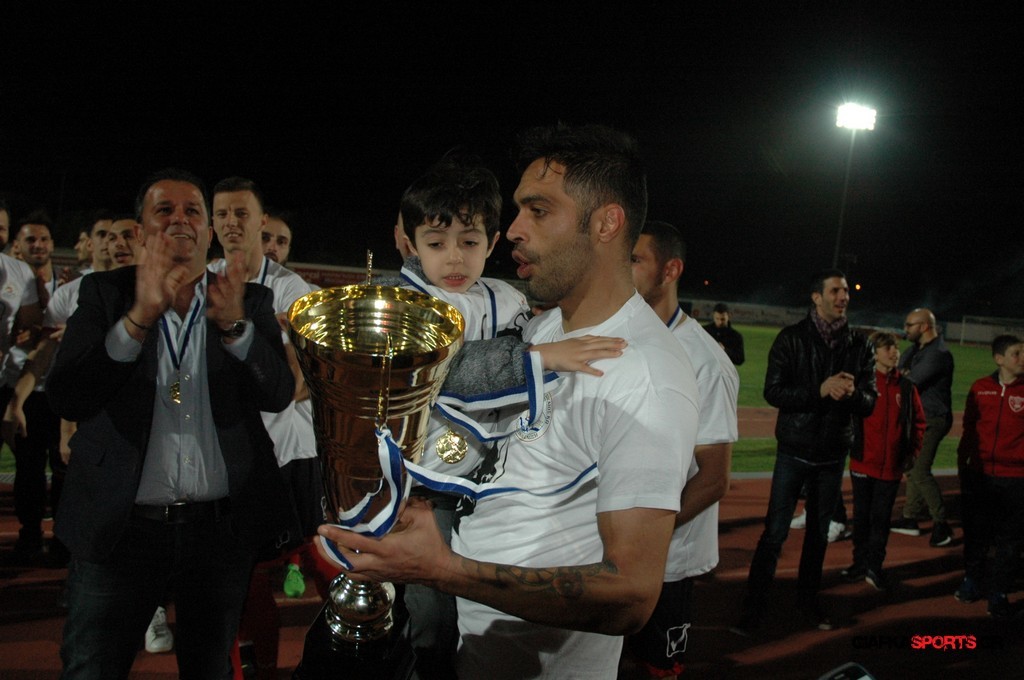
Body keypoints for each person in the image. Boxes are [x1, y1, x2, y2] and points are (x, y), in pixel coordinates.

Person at [317, 123, 700, 679]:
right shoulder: (541, 332)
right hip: (472, 652)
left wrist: (443, 569)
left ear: (606, 223)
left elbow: (631, 596)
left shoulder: (646, 374)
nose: (514, 230)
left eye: (538, 211)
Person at [47, 168, 297, 679]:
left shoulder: (248, 300)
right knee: (91, 667)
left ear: (209, 232)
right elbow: (68, 395)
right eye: (164, 210)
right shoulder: (104, 294)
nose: (180, 219)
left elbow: (277, 393)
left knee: (210, 668)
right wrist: (138, 319)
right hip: (120, 529)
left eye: (192, 211)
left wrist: (235, 328)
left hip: (217, 533)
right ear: (141, 231)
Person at [211, 176, 331, 679]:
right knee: (244, 580)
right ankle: (258, 667)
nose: (231, 223)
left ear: (261, 221)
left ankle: (349, 654)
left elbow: (300, 385)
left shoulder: (290, 289)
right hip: (232, 455)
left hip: (291, 452)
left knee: (324, 562)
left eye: (241, 213)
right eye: (222, 214)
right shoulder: (204, 281)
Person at [623, 220, 738, 679]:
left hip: (666, 559)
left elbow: (714, 479)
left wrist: (641, 534)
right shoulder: (621, 337)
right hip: (609, 547)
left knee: (657, 669)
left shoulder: (706, 361)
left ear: (670, 271)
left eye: (635, 260)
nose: (623, 268)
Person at [732, 268, 876, 635]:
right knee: (774, 534)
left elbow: (870, 402)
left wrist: (853, 394)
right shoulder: (791, 338)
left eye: (846, 291)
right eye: (836, 291)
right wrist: (820, 390)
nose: (843, 297)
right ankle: (753, 608)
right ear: (817, 297)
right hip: (793, 452)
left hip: (832, 455)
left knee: (817, 536)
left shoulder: (860, 345)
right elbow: (773, 392)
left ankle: (808, 601)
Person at [2, 213, 115, 566]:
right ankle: (34, 537)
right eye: (105, 235)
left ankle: (74, 544)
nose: (114, 243)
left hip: (103, 401)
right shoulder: (69, 292)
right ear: (90, 242)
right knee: (33, 470)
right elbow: (43, 347)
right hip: (43, 391)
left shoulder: (149, 292)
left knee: (83, 475)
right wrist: (17, 400)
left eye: (122, 236)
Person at [840, 331, 926, 591]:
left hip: (891, 467)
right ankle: (859, 563)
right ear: (874, 354)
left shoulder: (907, 387)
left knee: (881, 519)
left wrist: (912, 453)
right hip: (863, 463)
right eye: (887, 348)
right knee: (861, 518)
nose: (894, 352)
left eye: (895, 348)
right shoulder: (862, 383)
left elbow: (919, 423)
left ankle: (874, 567)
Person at [954, 334, 1024, 619]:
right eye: (1017, 353)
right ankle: (972, 580)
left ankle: (999, 592)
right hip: (981, 475)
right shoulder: (980, 388)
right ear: (999, 359)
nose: (1022, 358)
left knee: (1010, 539)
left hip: (1016, 477)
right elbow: (969, 429)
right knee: (976, 533)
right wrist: (963, 462)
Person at [891, 308, 955, 547]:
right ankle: (910, 517)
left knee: (919, 471)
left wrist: (902, 376)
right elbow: (900, 374)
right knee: (911, 468)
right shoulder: (914, 350)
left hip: (932, 419)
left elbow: (908, 382)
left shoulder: (938, 354)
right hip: (918, 418)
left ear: (924, 327)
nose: (905, 329)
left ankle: (942, 524)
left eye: (910, 325)